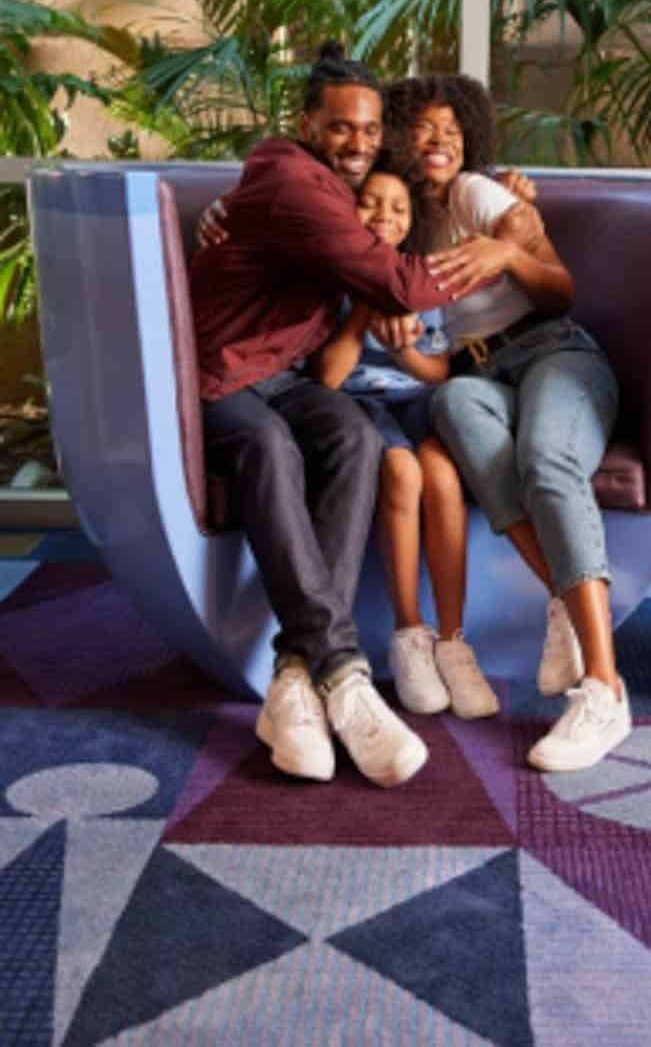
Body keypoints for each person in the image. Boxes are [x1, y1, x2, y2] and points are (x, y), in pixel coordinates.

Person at [190, 43, 483, 790]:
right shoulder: (296, 183)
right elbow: (399, 278)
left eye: (370, 128)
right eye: (341, 127)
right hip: (228, 372)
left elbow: (384, 252)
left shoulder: (320, 185)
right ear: (306, 123)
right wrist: (499, 252)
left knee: (352, 435)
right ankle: (344, 673)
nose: (358, 143)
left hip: (287, 372)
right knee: (267, 447)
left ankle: (295, 674)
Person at [383, 73, 632, 772]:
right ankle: (564, 599)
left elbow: (560, 291)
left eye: (452, 131)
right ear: (398, 136)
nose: (440, 142)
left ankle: (604, 691)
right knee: (451, 405)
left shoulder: (477, 194)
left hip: (553, 350)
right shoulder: (398, 215)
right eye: (424, 129)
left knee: (546, 462)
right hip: (476, 375)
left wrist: (510, 253)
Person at [314, 153, 500, 721]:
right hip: (363, 404)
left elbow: (440, 372)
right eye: (370, 203)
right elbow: (329, 377)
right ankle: (409, 633)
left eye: (396, 208)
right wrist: (368, 308)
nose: (383, 216)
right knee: (403, 471)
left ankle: (452, 639)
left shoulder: (420, 279)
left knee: (441, 474)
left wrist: (404, 350)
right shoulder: (333, 280)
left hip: (417, 398)